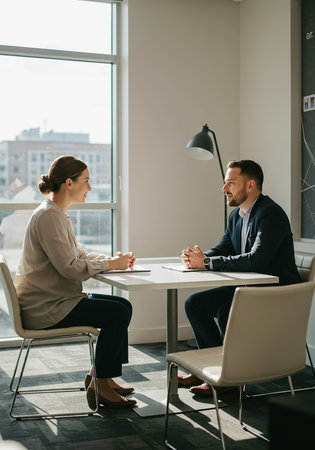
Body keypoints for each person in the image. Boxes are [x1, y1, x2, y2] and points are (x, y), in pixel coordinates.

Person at [16, 155, 137, 409]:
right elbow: (70, 269)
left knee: (122, 306)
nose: (90, 188)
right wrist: (111, 265)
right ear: (69, 183)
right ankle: (100, 385)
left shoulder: (57, 213)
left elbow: (77, 256)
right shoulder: (49, 216)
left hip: (55, 300)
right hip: (47, 308)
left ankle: (101, 376)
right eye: (87, 181)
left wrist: (111, 260)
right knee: (116, 313)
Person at [179, 159, 301, 396]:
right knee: (195, 303)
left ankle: (227, 379)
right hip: (250, 289)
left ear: (251, 185)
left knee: (227, 311)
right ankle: (211, 370)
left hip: (276, 293)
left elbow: (257, 260)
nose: (224, 189)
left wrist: (206, 263)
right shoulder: (237, 215)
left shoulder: (271, 214)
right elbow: (224, 248)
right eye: (225, 183)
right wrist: (199, 257)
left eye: (231, 183)